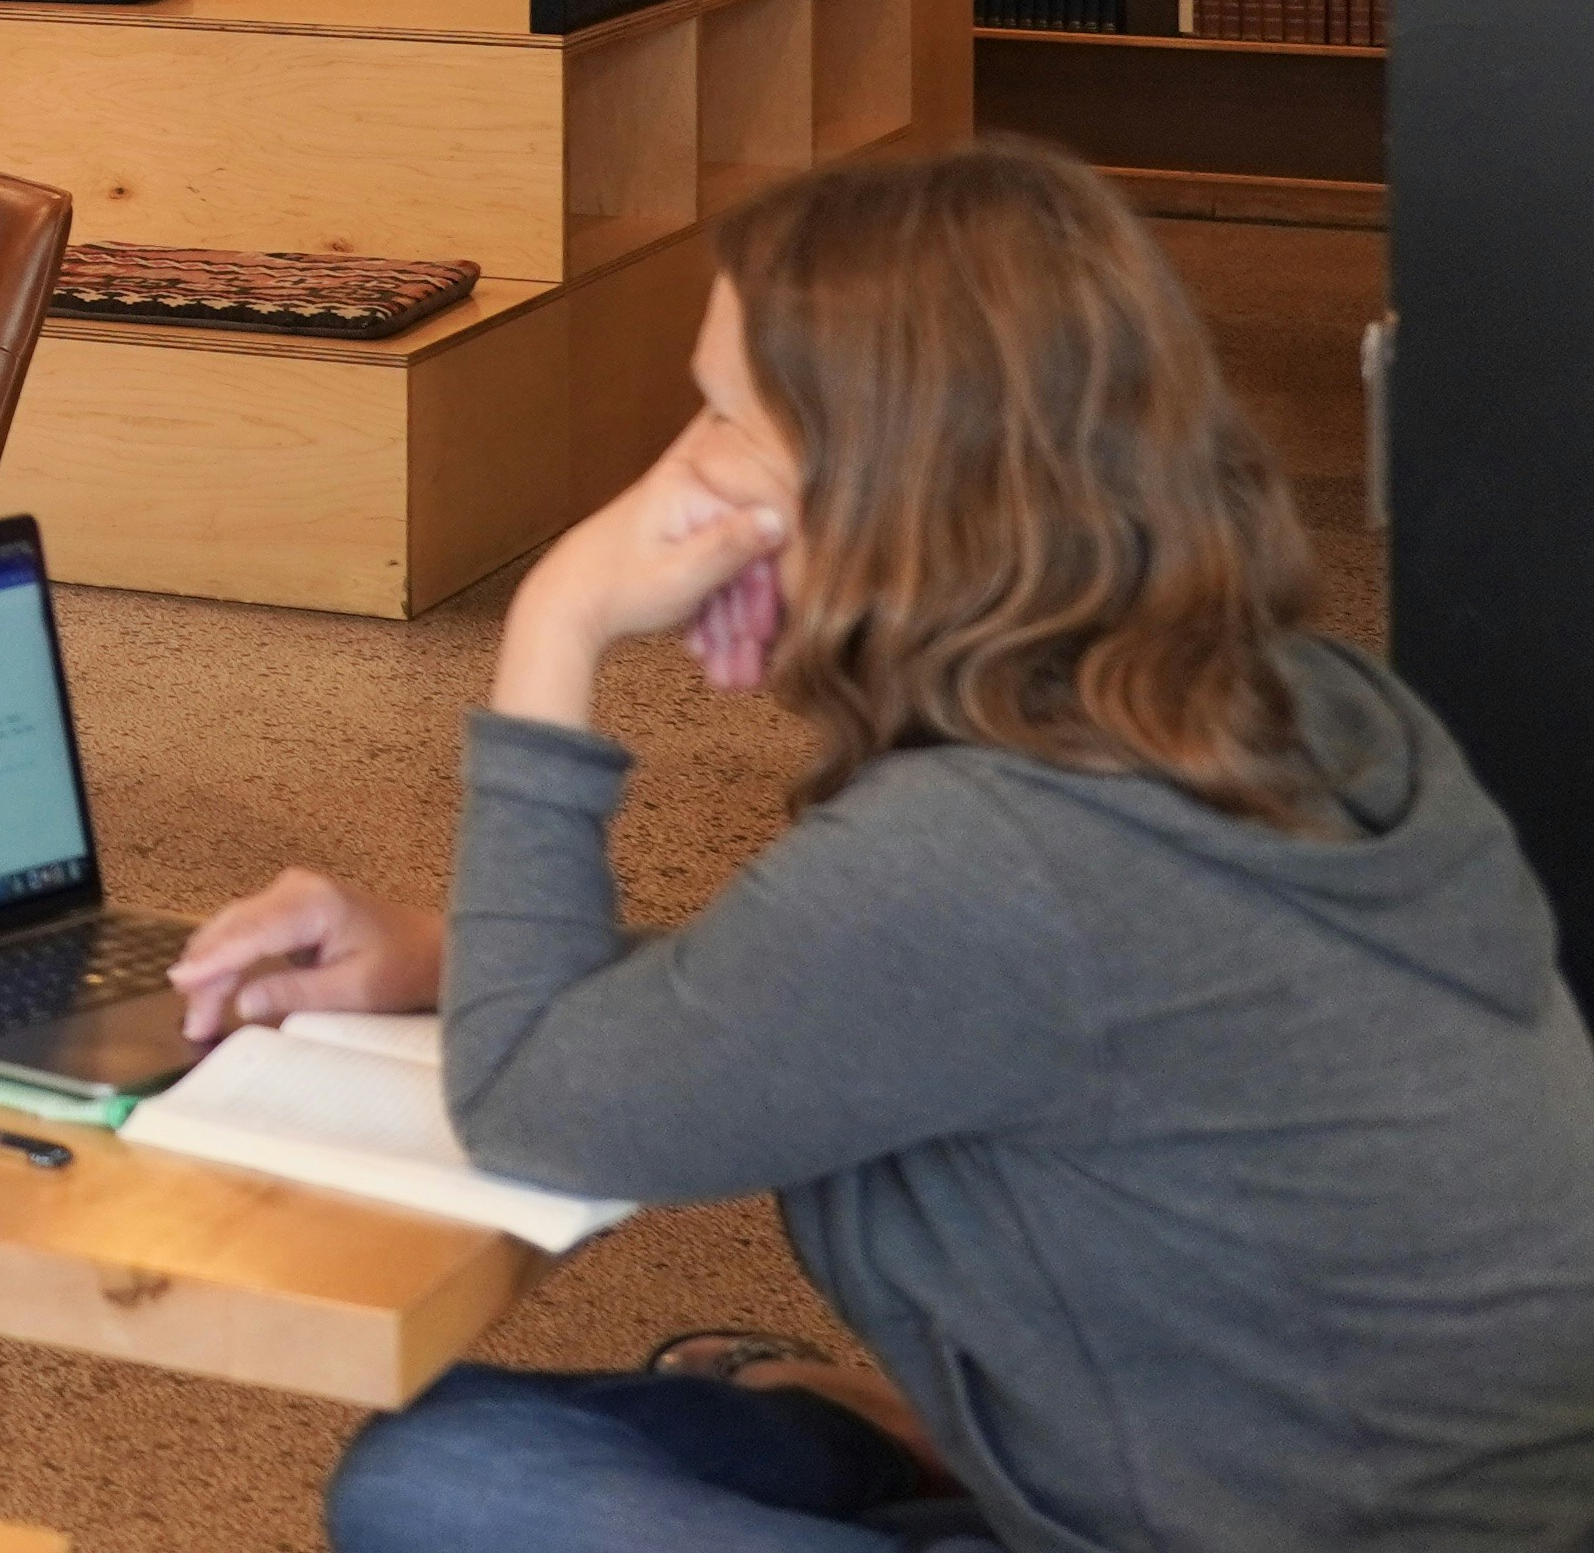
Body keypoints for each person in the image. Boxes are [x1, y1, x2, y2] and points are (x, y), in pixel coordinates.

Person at [172, 141, 1594, 1553]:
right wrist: (448, 954)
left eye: (724, 417)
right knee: (472, 1461)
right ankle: (929, 1444)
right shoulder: (1304, 700)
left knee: (447, 1489)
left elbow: (536, 1107)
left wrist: (557, 619)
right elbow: (900, 994)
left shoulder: (985, 852)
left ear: (891, 475)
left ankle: (916, 1455)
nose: (677, 474)